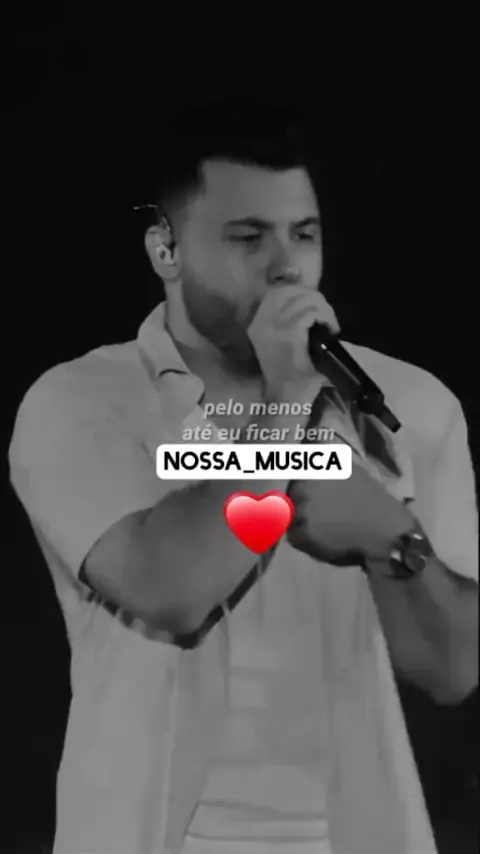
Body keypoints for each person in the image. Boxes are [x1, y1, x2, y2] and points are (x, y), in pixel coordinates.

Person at [8, 102, 478, 854]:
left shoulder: (412, 407)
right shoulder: (81, 402)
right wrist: (288, 401)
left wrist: (394, 538)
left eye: (305, 234)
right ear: (165, 249)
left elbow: (454, 670)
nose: (287, 267)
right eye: (249, 237)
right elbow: (171, 590)